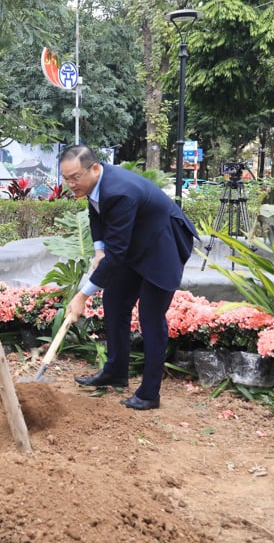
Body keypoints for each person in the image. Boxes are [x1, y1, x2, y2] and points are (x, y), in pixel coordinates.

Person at [61, 144, 197, 411]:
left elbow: (117, 254)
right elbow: (97, 216)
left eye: (75, 177)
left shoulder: (119, 191)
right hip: (135, 244)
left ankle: (149, 393)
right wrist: (99, 249)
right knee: (114, 301)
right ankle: (116, 371)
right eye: (66, 179)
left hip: (162, 247)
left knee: (150, 316)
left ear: (95, 168)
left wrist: (82, 295)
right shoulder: (94, 185)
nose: (71, 184)